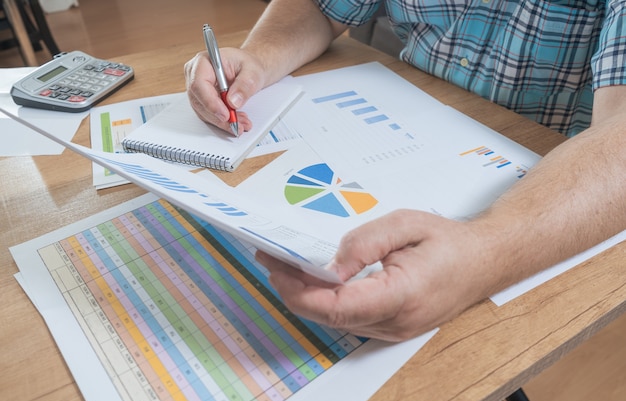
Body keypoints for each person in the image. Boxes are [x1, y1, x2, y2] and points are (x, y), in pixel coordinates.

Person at [185, 0, 626, 342]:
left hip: (550, 199)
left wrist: (485, 252)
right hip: (393, 135)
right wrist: (258, 57)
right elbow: (322, 6)